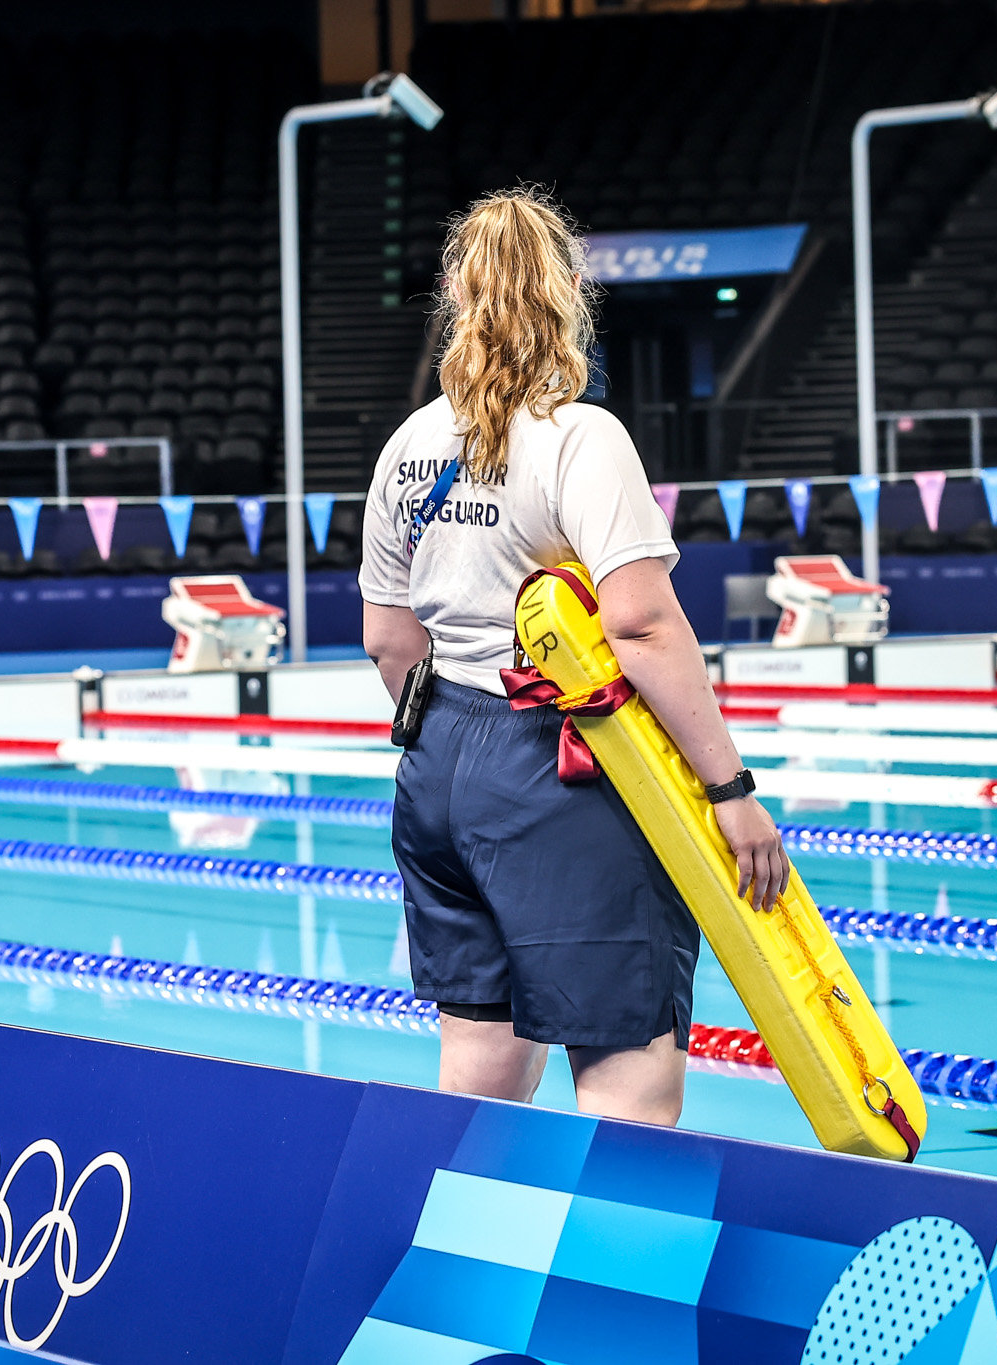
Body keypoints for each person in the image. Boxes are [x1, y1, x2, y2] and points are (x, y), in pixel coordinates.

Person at [359, 189, 791, 1128]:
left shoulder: (407, 446)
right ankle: (608, 1277)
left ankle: (471, 1260)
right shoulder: (580, 437)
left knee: (478, 1058)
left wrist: (457, 743)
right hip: (562, 764)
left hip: (436, 771)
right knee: (626, 1069)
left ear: (457, 297)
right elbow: (641, 626)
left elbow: (389, 640)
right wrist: (731, 790)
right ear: (564, 300)